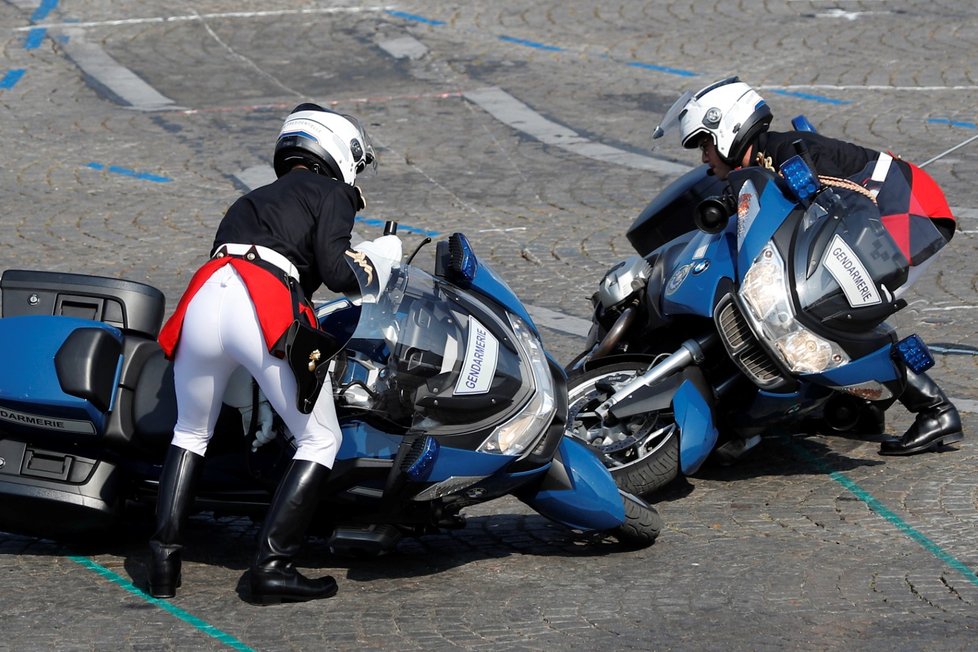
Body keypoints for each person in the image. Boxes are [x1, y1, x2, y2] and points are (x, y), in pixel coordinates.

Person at [149, 103, 382, 604]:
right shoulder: (332, 191)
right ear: (338, 149)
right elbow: (335, 270)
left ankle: (163, 564)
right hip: (263, 300)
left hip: (206, 292)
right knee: (320, 439)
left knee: (190, 432)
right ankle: (272, 567)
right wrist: (374, 264)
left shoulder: (250, 199)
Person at [658, 76, 961, 456]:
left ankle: (936, 412)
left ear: (728, 130)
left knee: (836, 311)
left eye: (705, 144)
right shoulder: (768, 156)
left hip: (908, 210)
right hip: (894, 212)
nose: (704, 157)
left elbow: (847, 202)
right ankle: (864, 408)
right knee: (833, 305)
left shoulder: (787, 154)